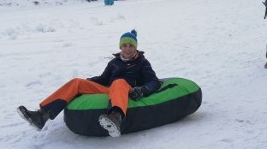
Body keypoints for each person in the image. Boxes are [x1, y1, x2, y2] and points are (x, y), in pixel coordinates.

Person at [17, 30, 161, 137]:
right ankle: (42, 116)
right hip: (110, 90)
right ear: (120, 47)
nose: (128, 49)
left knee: (119, 82)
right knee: (76, 82)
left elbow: (154, 81)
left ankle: (115, 118)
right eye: (125, 45)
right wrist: (88, 82)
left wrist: (142, 90)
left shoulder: (142, 62)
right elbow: (104, 79)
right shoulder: (114, 62)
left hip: (126, 90)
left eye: (131, 45)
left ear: (135, 47)